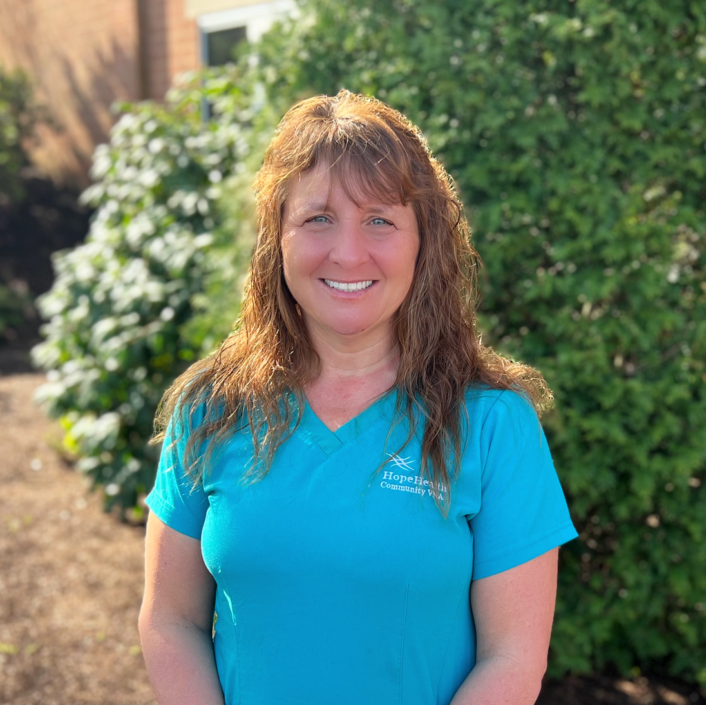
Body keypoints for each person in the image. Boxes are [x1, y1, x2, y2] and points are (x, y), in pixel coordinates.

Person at [137, 90, 578, 705]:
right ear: (278, 238)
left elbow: (513, 659)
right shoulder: (212, 409)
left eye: (379, 219)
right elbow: (170, 621)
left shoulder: (493, 425)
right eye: (318, 218)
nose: (347, 252)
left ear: (422, 242)